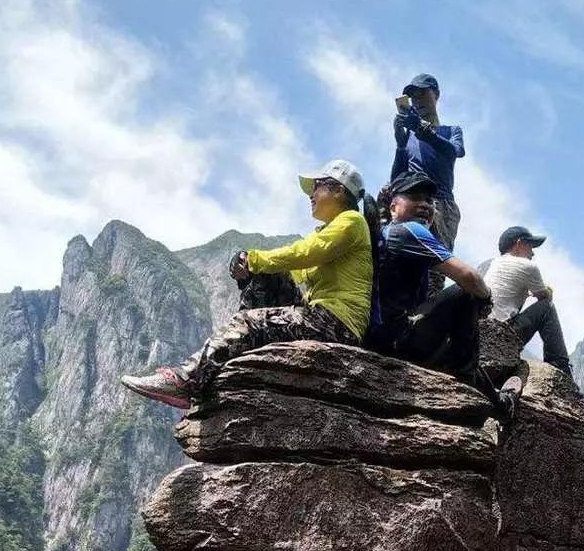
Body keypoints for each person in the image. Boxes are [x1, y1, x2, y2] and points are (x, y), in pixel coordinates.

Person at [121, 159, 377, 409]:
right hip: (320, 317)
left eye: (317, 186)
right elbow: (296, 270)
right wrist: (249, 272)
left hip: (335, 324)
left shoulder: (352, 222)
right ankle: (234, 351)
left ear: (339, 190)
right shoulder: (330, 230)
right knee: (267, 274)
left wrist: (254, 259)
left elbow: (306, 253)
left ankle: (186, 380)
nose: (311, 194)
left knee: (248, 320)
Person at [367, 171, 491, 385]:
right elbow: (469, 276)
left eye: (429, 200)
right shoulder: (409, 230)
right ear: (393, 207)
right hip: (397, 340)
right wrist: (486, 297)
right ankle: (467, 379)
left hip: (376, 337)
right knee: (465, 292)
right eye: (414, 197)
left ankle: (482, 386)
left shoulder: (385, 234)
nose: (425, 205)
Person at [390, 73, 465, 296]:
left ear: (437, 95)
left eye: (423, 94)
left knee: (435, 266)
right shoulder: (410, 138)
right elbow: (396, 179)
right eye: (413, 97)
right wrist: (400, 145)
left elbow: (455, 151)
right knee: (403, 261)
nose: (417, 100)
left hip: (441, 204)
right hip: (413, 201)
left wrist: (424, 131)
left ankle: (427, 317)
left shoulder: (451, 131)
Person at [480, 226, 572, 377]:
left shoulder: (491, 264)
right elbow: (545, 297)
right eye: (530, 245)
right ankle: (560, 366)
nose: (533, 252)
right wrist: (547, 290)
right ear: (519, 243)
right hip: (500, 336)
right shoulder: (527, 266)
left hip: (478, 333)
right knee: (547, 307)